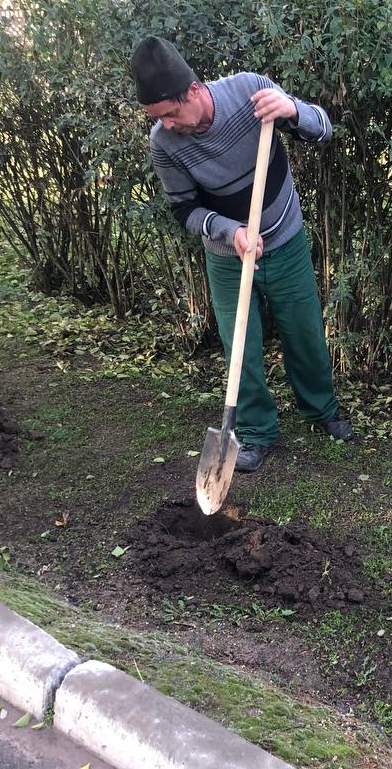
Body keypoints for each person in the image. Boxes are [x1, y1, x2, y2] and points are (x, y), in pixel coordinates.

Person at [130, 35, 353, 474]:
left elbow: (323, 128)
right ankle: (254, 433)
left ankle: (322, 410)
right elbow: (185, 209)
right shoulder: (164, 143)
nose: (168, 125)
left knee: (304, 329)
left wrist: (292, 109)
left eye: (172, 113)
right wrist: (229, 231)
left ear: (193, 90)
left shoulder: (248, 92)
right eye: (158, 118)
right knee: (241, 348)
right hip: (228, 255)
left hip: (285, 238)